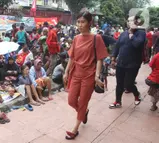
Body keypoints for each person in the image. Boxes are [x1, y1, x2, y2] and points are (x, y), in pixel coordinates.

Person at [63, 11, 108, 140]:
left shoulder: (96, 38)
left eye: (83, 22)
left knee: (83, 102)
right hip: (76, 74)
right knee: (71, 101)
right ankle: (84, 113)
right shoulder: (76, 38)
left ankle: (75, 129)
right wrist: (66, 72)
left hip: (89, 75)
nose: (80, 25)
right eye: (78, 22)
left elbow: (100, 58)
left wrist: (97, 75)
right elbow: (72, 57)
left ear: (89, 23)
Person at [110, 15, 147, 109]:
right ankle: (117, 102)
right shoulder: (123, 34)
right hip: (121, 63)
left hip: (133, 64)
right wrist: (113, 57)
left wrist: (131, 35)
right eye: (130, 21)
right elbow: (117, 46)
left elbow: (137, 44)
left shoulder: (141, 34)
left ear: (137, 23)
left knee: (128, 84)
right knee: (119, 84)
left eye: (133, 21)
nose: (131, 23)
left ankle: (137, 94)